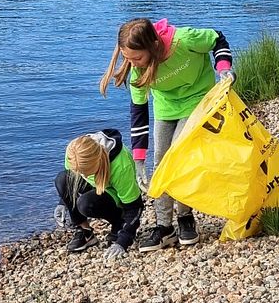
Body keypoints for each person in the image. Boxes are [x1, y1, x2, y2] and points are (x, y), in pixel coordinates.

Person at [99, 18, 234, 253]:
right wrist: (139, 159)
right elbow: (138, 114)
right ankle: (164, 227)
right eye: (127, 58)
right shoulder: (136, 71)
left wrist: (224, 68)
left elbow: (218, 38)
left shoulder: (185, 40)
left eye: (137, 58)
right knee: (160, 161)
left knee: (178, 156)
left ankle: (185, 217)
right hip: (166, 108)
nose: (132, 63)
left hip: (198, 100)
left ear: (153, 45)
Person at [54, 129, 144, 260]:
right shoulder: (74, 153)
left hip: (116, 198)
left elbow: (135, 207)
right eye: (80, 171)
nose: (83, 175)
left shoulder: (120, 166)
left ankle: (118, 222)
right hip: (97, 186)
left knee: (85, 204)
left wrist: (123, 242)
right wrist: (63, 203)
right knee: (62, 179)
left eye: (86, 171)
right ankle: (85, 232)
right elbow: (70, 182)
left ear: (97, 162)